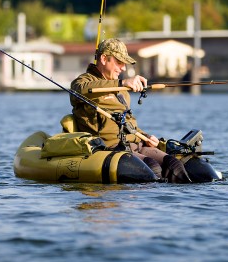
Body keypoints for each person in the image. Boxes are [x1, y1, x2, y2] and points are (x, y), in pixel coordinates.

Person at [70, 38, 192, 183]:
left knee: (174, 164)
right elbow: (79, 90)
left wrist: (145, 137)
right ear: (103, 59)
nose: (123, 68)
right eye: (119, 62)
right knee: (153, 168)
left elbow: (128, 124)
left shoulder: (123, 93)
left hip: (135, 144)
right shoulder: (83, 81)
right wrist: (122, 83)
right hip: (111, 148)